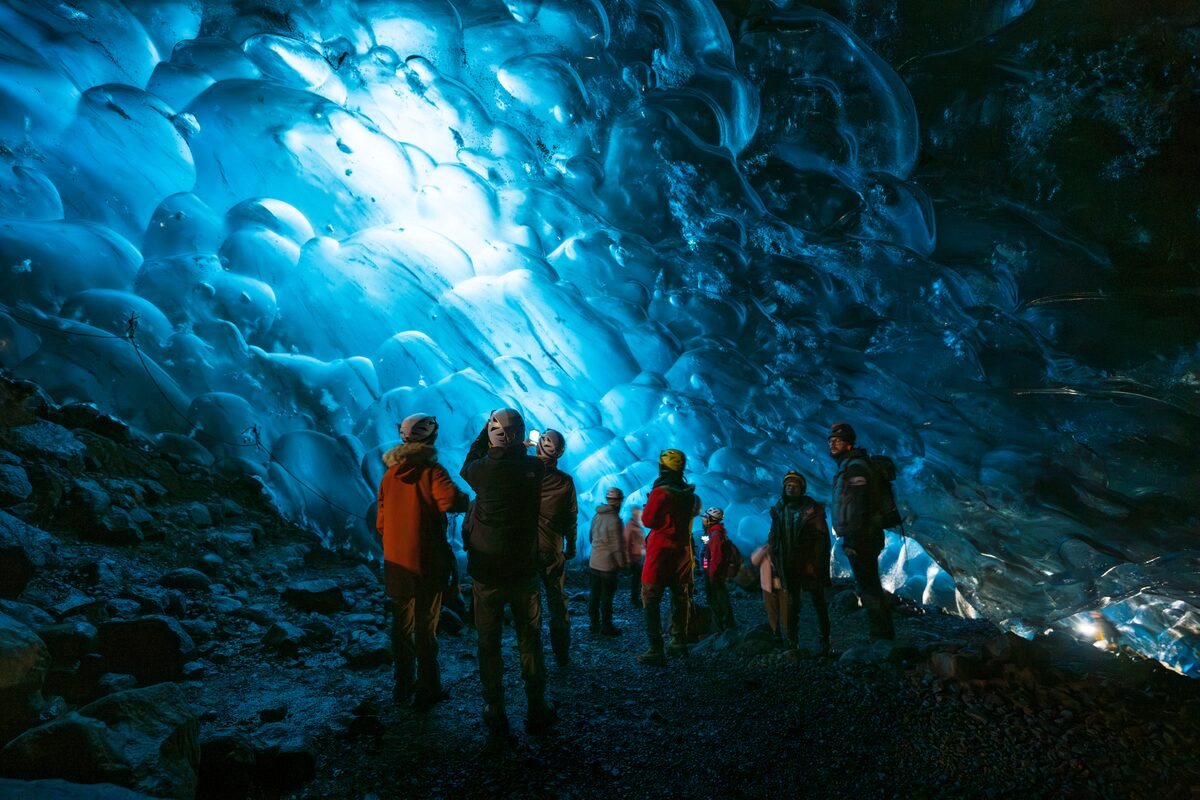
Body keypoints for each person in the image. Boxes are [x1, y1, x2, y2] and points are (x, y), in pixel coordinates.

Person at [460, 408, 556, 740]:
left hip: (486, 571)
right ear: (520, 435)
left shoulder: (480, 470)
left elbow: (468, 463)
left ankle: (495, 710)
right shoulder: (534, 468)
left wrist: (485, 431)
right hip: (523, 570)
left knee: (489, 642)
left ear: (491, 435)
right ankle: (536, 707)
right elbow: (521, 453)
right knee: (529, 640)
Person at [375, 413, 470, 710]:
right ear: (430, 437)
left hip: (397, 565)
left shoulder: (389, 476)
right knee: (426, 629)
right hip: (428, 564)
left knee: (401, 627)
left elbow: (380, 523)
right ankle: (428, 689)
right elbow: (452, 501)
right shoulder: (432, 471)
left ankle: (402, 685)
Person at [828, 423, 894, 641]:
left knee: (868, 586)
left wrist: (852, 538)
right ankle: (882, 633)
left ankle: (881, 635)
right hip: (865, 533)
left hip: (863, 535)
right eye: (831, 441)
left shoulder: (855, 468)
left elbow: (859, 504)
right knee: (868, 583)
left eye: (838, 440)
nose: (832, 444)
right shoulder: (850, 466)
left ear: (849, 444)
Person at [638, 449, 701, 666]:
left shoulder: (661, 493)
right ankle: (678, 642)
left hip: (660, 553)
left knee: (651, 598)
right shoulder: (688, 494)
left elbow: (648, 520)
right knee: (679, 597)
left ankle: (656, 649)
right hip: (682, 552)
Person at [768, 471, 832, 655]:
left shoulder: (812, 511)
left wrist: (816, 565)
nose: (791, 487)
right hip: (788, 565)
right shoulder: (780, 510)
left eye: (795, 485)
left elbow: (821, 540)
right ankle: (792, 639)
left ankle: (824, 639)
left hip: (809, 565)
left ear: (802, 489)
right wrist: (774, 557)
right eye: (788, 485)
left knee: (818, 601)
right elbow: (774, 537)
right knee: (792, 603)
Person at [533, 429, 577, 667]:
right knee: (557, 602)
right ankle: (561, 652)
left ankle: (531, 651)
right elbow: (571, 518)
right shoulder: (565, 482)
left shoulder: (525, 474)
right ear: (559, 453)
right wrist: (570, 547)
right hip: (552, 548)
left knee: (529, 601)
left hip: (525, 550)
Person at [588, 487, 627, 636]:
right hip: (608, 566)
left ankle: (593, 623)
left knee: (594, 594)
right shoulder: (615, 520)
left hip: (594, 563)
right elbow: (617, 547)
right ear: (618, 502)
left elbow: (591, 537)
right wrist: (623, 565)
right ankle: (607, 626)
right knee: (607, 597)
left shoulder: (596, 516)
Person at [701, 507, 737, 633]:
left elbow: (716, 557)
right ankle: (724, 622)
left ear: (712, 520)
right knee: (717, 595)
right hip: (711, 570)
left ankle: (725, 624)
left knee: (717, 596)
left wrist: (711, 573)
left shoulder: (715, 535)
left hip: (714, 573)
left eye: (705, 517)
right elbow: (706, 550)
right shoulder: (711, 532)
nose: (703, 519)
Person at [750, 543, 783, 637]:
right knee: (772, 611)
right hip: (768, 585)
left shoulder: (783, 547)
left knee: (784, 612)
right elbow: (754, 560)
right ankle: (776, 633)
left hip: (781, 585)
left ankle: (787, 636)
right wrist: (764, 549)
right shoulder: (765, 548)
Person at [623, 505, 645, 608]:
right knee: (637, 580)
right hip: (635, 558)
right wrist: (627, 560)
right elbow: (626, 543)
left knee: (638, 579)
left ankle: (636, 598)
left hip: (638, 557)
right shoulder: (631, 527)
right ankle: (635, 599)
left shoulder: (635, 526)